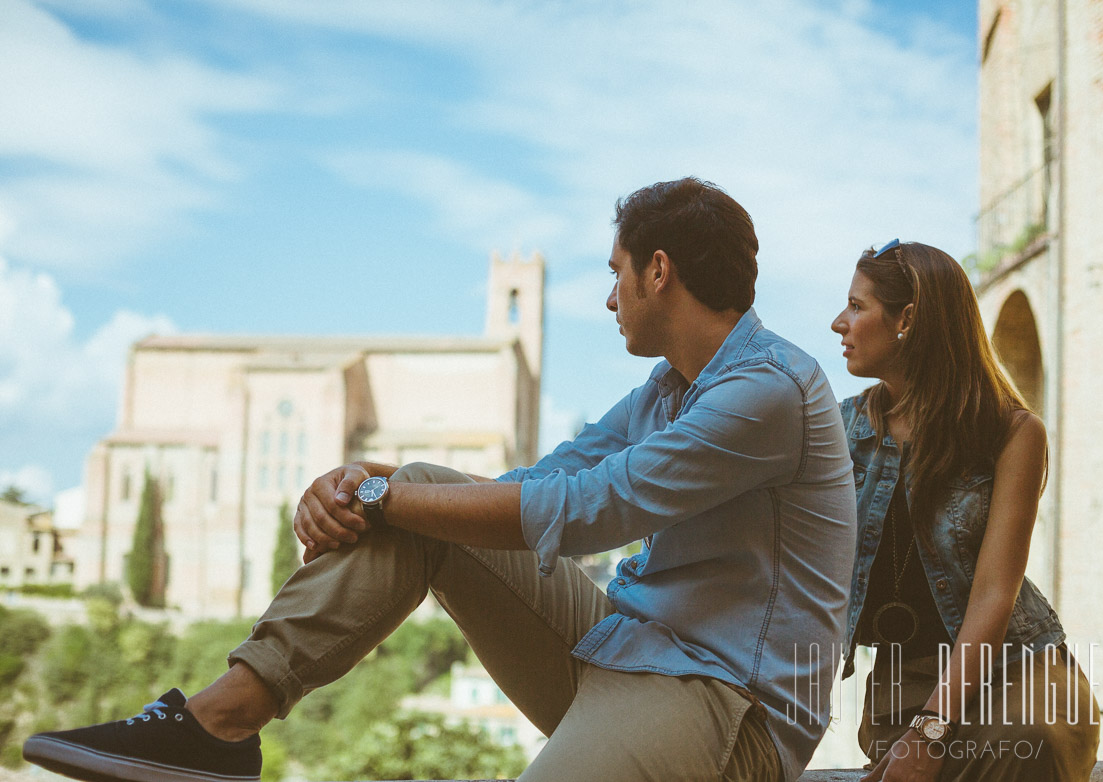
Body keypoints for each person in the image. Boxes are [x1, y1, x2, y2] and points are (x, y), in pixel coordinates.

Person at [24, 177, 857, 782]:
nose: (608, 299)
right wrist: (375, 479)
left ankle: (222, 723)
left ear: (660, 270)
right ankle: (223, 719)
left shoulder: (765, 393)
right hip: (629, 656)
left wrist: (379, 497)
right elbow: (543, 476)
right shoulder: (668, 388)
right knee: (425, 487)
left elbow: (589, 508)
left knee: (413, 500)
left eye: (615, 273)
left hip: (725, 708)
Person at [830, 239, 1100, 781]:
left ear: (907, 319)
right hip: (905, 681)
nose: (840, 322)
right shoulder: (836, 430)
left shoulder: (1013, 433)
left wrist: (932, 729)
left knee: (1030, 741)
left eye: (858, 306)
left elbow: (994, 595)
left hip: (1018, 666)